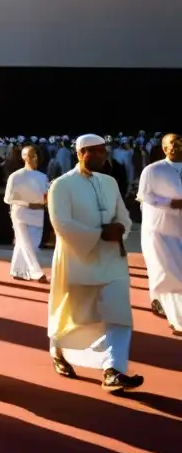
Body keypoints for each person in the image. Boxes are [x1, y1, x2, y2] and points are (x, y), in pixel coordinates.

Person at [47, 134, 145, 393]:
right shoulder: (61, 185)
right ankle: (59, 352)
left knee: (119, 315)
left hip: (112, 260)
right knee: (74, 316)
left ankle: (113, 370)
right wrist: (100, 233)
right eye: (96, 152)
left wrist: (119, 229)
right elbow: (61, 224)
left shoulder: (110, 182)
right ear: (81, 153)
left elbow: (123, 216)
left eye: (104, 151)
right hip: (78, 258)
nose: (103, 156)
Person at [137, 133, 182, 335]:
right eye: (172, 143)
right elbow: (144, 196)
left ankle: (159, 300)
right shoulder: (153, 170)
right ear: (164, 148)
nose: (177, 146)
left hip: (179, 229)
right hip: (159, 230)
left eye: (180, 142)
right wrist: (171, 203)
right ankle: (177, 320)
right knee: (167, 272)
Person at [3, 144, 49, 283]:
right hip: (20, 213)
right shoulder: (15, 176)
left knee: (29, 243)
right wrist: (28, 204)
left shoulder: (42, 177)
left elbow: (46, 195)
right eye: (31, 156)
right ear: (24, 157)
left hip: (37, 214)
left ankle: (17, 270)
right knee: (26, 243)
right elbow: (8, 198)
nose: (34, 159)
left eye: (35, 156)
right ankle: (36, 273)